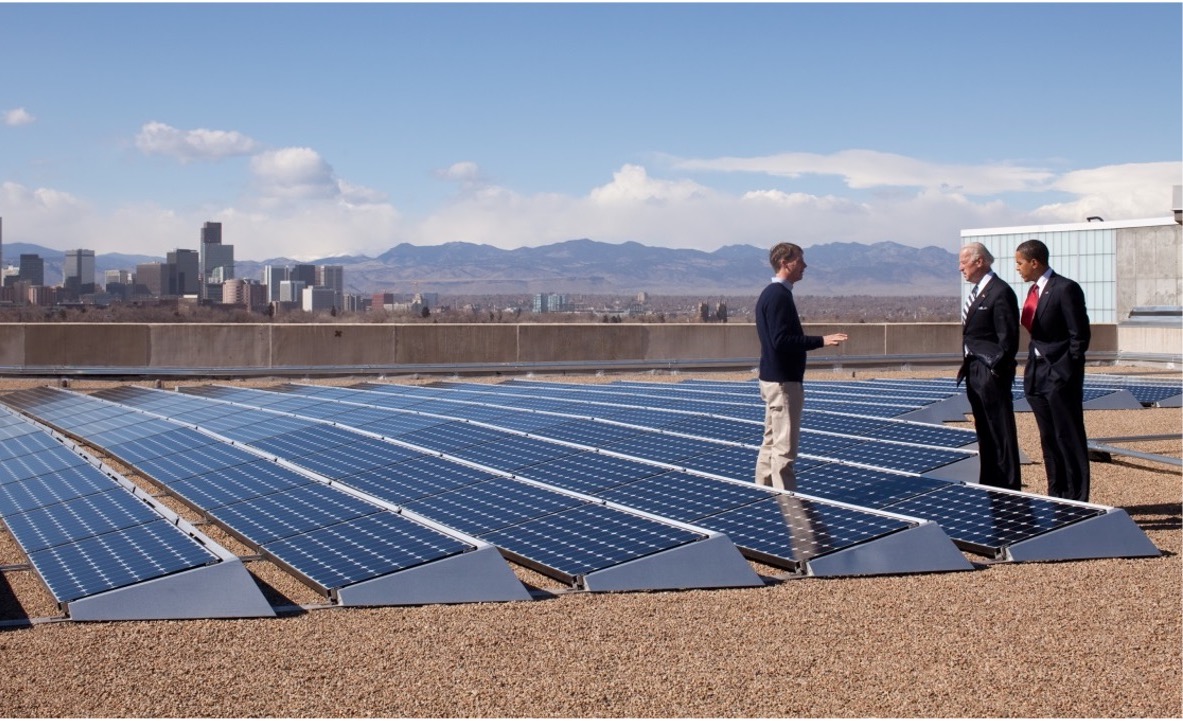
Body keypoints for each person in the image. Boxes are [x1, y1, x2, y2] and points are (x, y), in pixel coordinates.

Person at [754, 242, 847, 490]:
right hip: (783, 382)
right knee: (784, 449)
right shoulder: (778, 296)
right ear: (785, 263)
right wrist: (821, 341)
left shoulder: (772, 293)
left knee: (771, 442)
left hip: (773, 378)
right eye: (800, 260)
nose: (804, 265)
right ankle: (787, 502)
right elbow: (781, 340)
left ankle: (762, 496)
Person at [1015, 238, 1092, 501]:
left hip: (1059, 375)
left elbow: (1079, 335)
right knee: (1048, 437)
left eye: (1020, 263)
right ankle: (1057, 492)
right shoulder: (1034, 291)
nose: (1018, 268)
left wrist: (1066, 372)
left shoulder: (1065, 288)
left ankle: (1077, 497)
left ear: (1034, 262)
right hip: (1037, 375)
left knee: (1067, 435)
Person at [956, 242, 1021, 490]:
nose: (960, 268)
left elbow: (1008, 338)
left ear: (980, 261)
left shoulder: (1000, 292)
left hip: (990, 371)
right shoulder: (980, 292)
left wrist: (995, 371)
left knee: (999, 430)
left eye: (964, 262)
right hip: (974, 370)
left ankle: (1007, 486)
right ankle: (991, 483)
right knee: (985, 430)